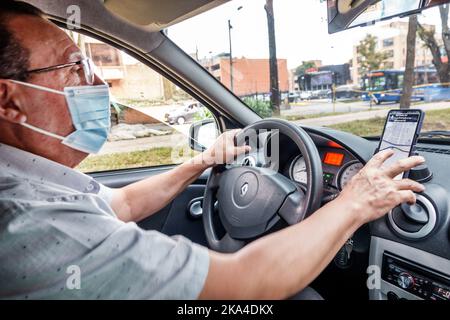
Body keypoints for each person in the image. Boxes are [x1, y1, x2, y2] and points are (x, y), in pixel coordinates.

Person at [0, 1, 426, 300]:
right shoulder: (33, 222)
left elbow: (125, 202)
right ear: (8, 100)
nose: (98, 85)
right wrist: (355, 201)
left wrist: (204, 161)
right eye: (75, 67)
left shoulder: (34, 184)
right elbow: (248, 281)